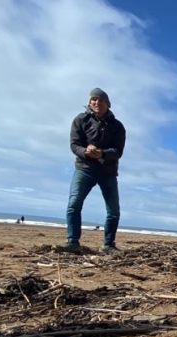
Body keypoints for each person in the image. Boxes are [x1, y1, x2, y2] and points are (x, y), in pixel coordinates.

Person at [56, 88, 126, 255]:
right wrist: (85, 151)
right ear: (89, 102)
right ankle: (72, 242)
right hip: (84, 169)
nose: (97, 103)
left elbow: (118, 151)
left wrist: (102, 153)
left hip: (107, 172)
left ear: (107, 104)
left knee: (113, 211)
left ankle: (108, 245)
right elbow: (74, 145)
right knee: (74, 205)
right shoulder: (80, 120)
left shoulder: (117, 126)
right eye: (94, 99)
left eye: (101, 100)